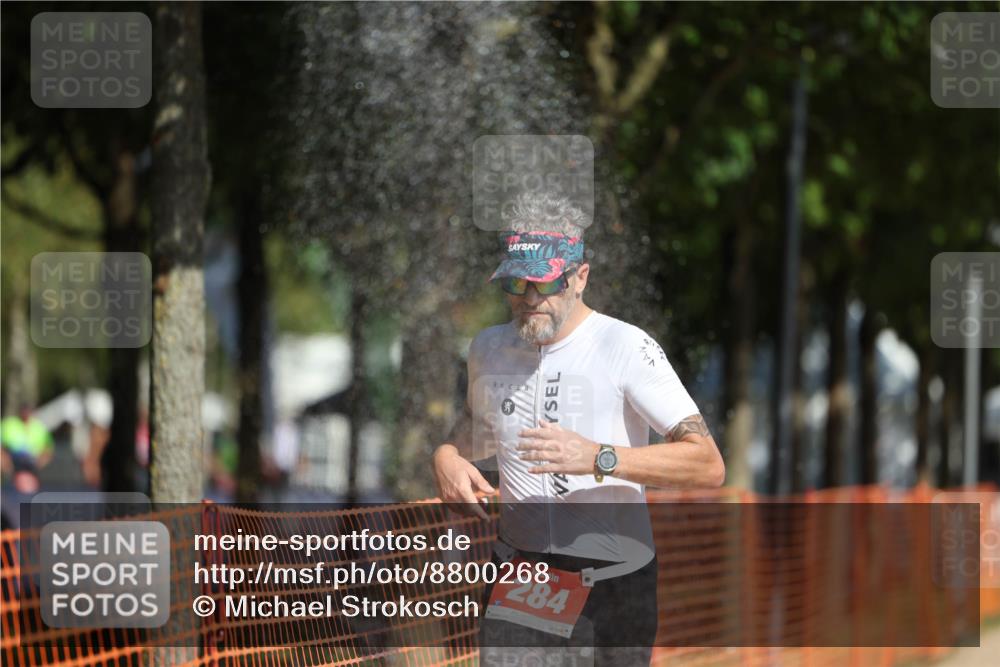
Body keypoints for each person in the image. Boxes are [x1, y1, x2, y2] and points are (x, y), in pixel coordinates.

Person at [432, 192, 725, 666]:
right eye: (516, 283)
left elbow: (707, 464)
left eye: (545, 282)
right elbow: (477, 422)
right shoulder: (488, 348)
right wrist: (446, 454)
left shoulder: (625, 346)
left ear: (580, 277)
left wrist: (597, 457)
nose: (530, 299)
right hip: (521, 578)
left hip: (612, 585)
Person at [1, 405, 54, 494]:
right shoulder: (9, 425)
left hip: (32, 462)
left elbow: (48, 449)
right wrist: (7, 465)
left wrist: (39, 463)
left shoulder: (39, 427)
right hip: (14, 461)